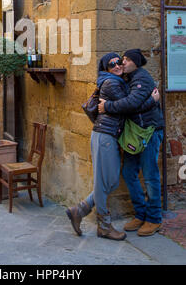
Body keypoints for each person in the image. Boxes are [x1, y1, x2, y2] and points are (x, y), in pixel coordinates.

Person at [66, 52, 158, 241]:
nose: (117, 66)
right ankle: (104, 226)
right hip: (104, 137)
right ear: (105, 68)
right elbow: (131, 105)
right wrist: (152, 101)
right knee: (104, 181)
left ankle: (80, 209)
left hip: (110, 137)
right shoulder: (112, 83)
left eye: (119, 62)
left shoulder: (118, 80)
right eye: (112, 64)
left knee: (111, 181)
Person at [98, 49, 165, 237]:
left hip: (149, 132)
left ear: (135, 62)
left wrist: (107, 106)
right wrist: (151, 101)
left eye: (126, 60)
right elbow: (131, 107)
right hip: (134, 135)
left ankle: (154, 218)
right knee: (129, 173)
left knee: (150, 175)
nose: (122, 62)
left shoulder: (142, 78)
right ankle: (140, 214)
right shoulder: (127, 79)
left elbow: (131, 105)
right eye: (121, 60)